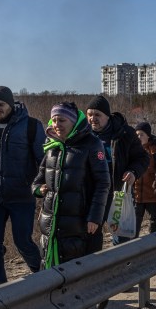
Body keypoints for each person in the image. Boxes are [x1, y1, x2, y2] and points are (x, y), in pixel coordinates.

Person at [0, 86, 45, 288]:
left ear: (10, 104)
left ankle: (42, 273)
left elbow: (43, 161)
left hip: (22, 195)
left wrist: (40, 186)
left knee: (22, 241)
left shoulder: (31, 126)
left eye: (1, 104)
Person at [33, 102, 110, 267]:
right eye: (54, 120)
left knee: (76, 271)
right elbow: (37, 181)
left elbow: (103, 183)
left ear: (73, 122)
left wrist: (95, 217)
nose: (56, 125)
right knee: (50, 272)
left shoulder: (91, 143)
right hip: (51, 225)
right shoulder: (51, 146)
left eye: (62, 120)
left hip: (79, 224)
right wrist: (39, 189)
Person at [85, 95, 149, 251]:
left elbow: (142, 158)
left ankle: (124, 270)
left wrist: (133, 172)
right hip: (93, 194)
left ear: (107, 116)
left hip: (118, 194)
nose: (93, 118)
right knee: (91, 236)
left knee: (122, 238)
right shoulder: (83, 135)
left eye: (97, 115)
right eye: (90, 114)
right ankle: (95, 271)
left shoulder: (124, 133)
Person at [133, 122, 156, 237]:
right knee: (134, 223)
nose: (138, 137)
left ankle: (155, 244)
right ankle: (133, 246)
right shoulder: (132, 150)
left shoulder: (155, 151)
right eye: (136, 135)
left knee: (154, 221)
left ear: (148, 136)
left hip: (152, 193)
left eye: (141, 134)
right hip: (137, 194)